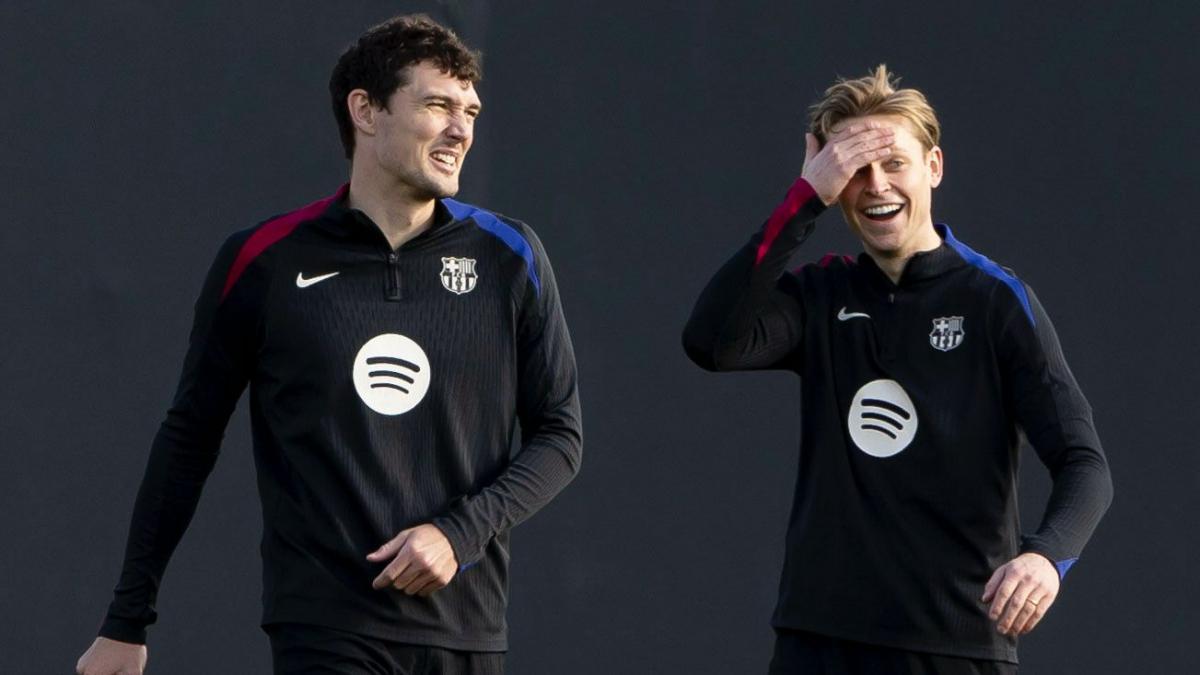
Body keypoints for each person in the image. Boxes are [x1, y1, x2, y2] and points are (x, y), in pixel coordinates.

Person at [77, 14, 581, 675]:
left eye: (471, 110)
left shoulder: (512, 255)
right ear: (365, 111)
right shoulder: (264, 260)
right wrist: (126, 620)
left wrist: (459, 533)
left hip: (469, 633)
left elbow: (560, 436)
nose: (462, 129)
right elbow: (188, 439)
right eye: (438, 105)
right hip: (325, 629)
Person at [681, 65, 1111, 674]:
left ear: (934, 167)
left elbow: (1084, 463)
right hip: (818, 641)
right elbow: (711, 341)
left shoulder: (995, 301)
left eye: (894, 163)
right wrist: (802, 200)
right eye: (854, 169)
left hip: (953, 646)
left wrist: (1046, 557)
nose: (875, 185)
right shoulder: (821, 294)